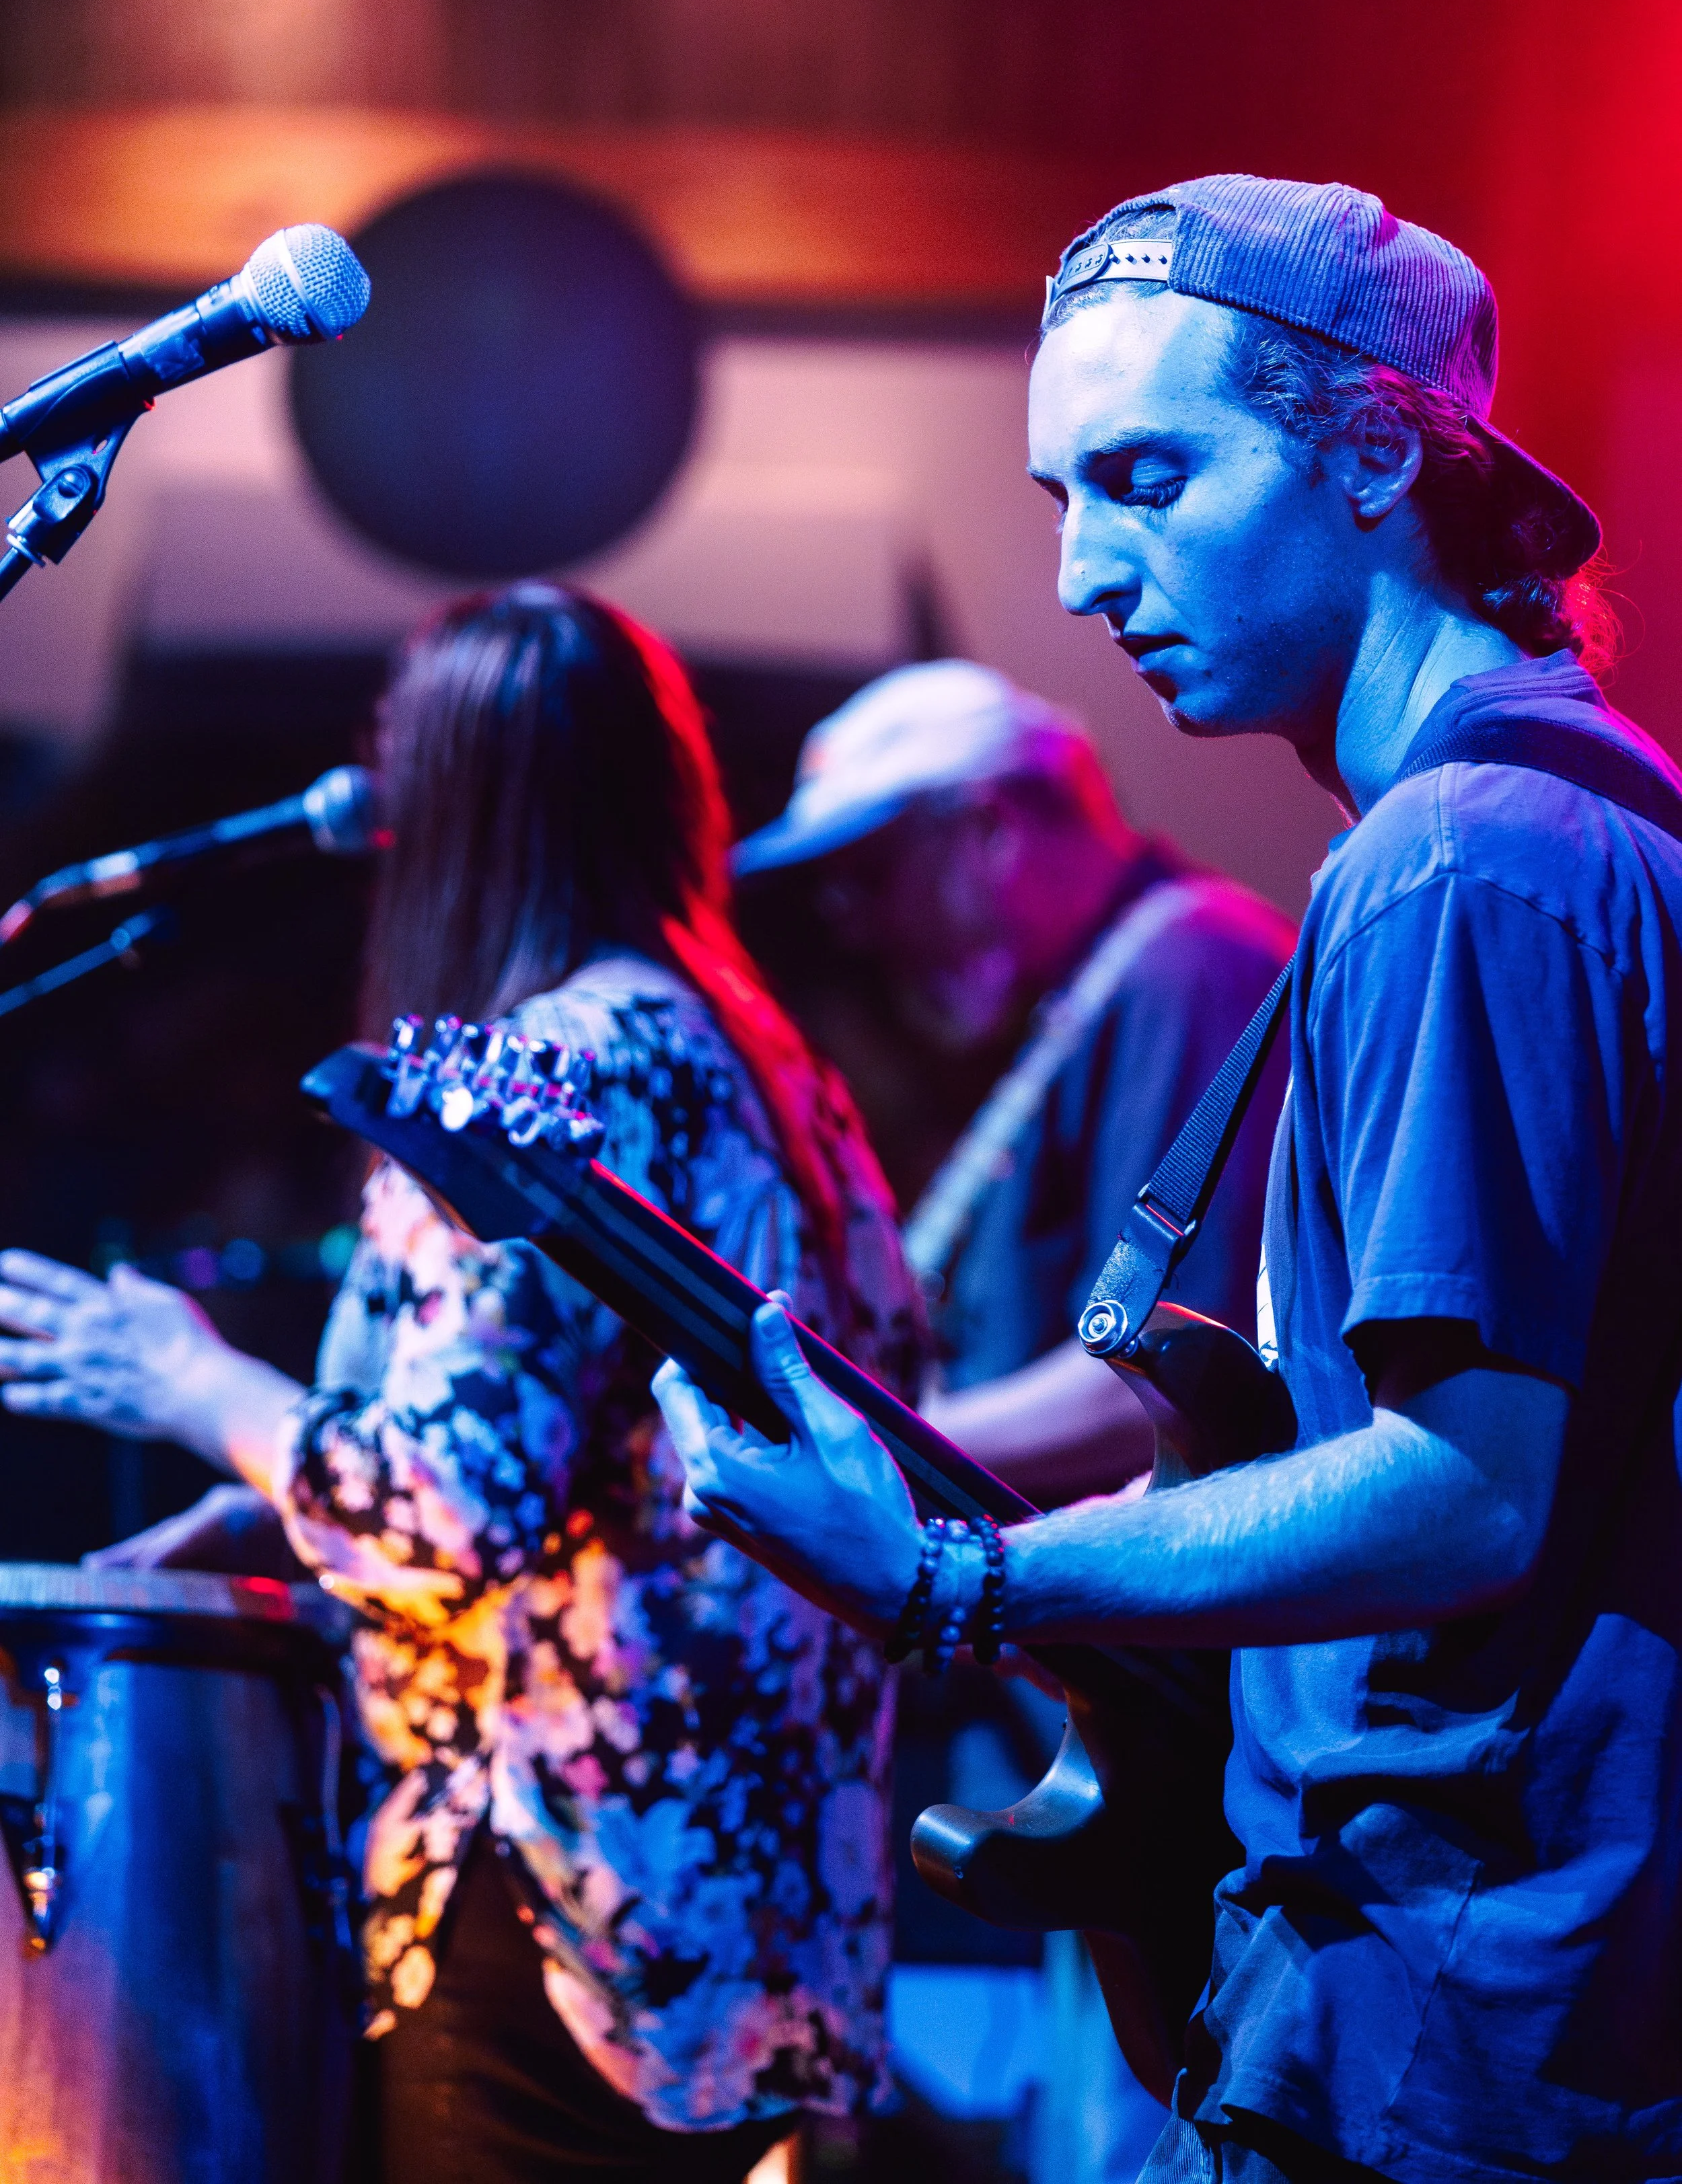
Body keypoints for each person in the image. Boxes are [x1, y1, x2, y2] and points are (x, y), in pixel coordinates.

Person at [650, 176, 1682, 2182]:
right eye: (1060, 496)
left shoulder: (1460, 856)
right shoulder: (1536, 828)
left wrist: (963, 1579)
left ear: (1372, 449)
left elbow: (1461, 1487)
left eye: (1145, 476)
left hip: (1458, 2014)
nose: (1077, 573)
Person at [0, 584, 926, 2184]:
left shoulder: (548, 1067)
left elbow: (444, 1512)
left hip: (562, 1901)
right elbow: (618, 1457)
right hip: (746, 1906)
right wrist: (271, 1498)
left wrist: (191, 1380)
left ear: (449, 801)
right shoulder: (763, 1064)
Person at [735, 658, 1295, 1502]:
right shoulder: (1098, 988)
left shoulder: (1191, 968)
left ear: (987, 831)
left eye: (871, 877)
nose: (854, 927)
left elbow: (1171, 1368)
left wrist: (859, 1439)